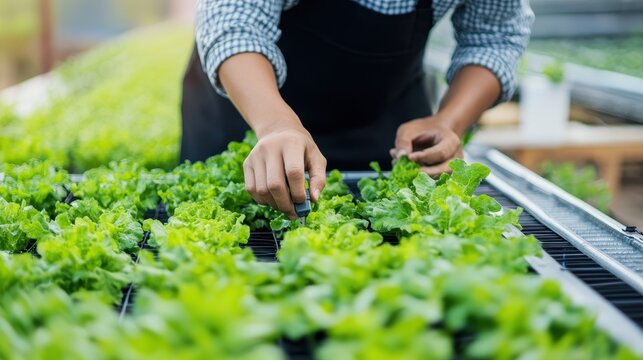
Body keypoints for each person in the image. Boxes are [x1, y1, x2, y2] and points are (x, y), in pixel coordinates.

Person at [181, 0, 533, 219]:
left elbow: (494, 36)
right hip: (250, 111)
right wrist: (275, 125)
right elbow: (234, 22)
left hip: (382, 117)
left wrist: (449, 122)